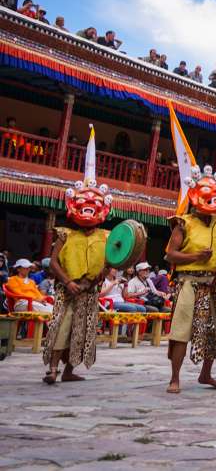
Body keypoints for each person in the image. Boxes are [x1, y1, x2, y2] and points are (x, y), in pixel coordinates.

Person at [42, 127, 125, 384]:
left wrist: (95, 279)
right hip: (68, 289)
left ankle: (68, 371)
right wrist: (68, 282)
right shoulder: (65, 233)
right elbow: (53, 261)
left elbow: (113, 262)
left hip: (90, 290)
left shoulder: (106, 236)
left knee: (82, 332)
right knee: (61, 328)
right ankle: (53, 369)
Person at [164, 162, 216, 394]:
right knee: (181, 332)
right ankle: (174, 378)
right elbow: (169, 255)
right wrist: (196, 255)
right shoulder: (183, 224)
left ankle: (206, 374)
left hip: (213, 283)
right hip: (189, 282)